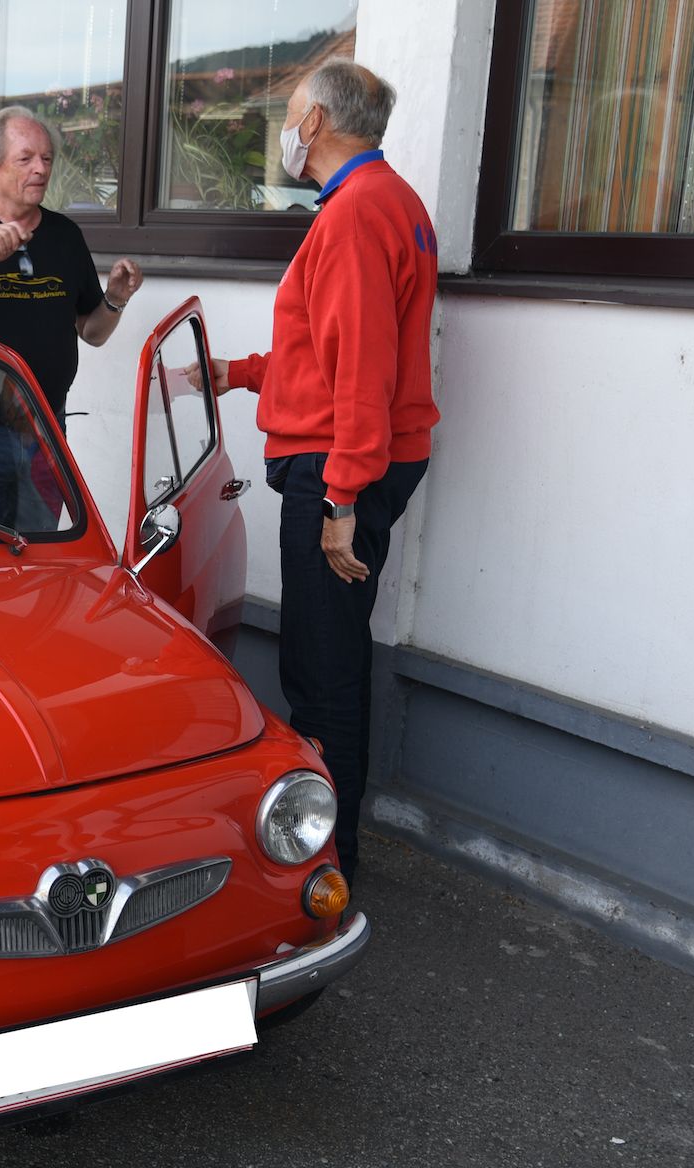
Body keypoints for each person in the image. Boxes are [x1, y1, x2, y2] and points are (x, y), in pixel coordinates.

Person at [195, 59, 440, 886]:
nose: (284, 130)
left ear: (317, 124)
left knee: (320, 666)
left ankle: (324, 861)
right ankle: (327, 843)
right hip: (359, 458)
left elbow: (361, 367)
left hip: (338, 470)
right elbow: (329, 352)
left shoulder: (354, 213)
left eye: (290, 113)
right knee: (332, 652)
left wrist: (340, 497)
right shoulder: (388, 201)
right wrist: (238, 373)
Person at [0, 105, 143, 526]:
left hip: (46, 429)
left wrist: (115, 299)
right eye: (26, 158)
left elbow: (92, 332)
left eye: (47, 158)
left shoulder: (65, 235)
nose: (41, 169)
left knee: (41, 552)